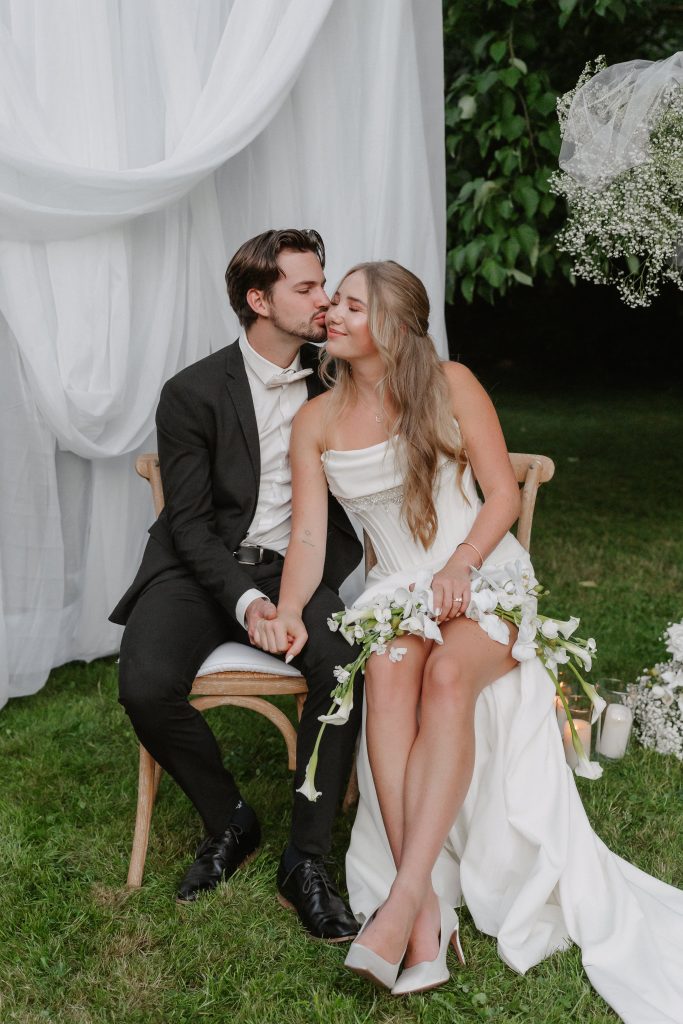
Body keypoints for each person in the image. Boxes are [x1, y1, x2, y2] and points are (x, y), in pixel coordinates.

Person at [253, 260, 683, 1020]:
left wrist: (460, 565)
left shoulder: (451, 384)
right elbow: (311, 539)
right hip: (396, 593)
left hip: (483, 572)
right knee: (387, 671)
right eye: (336, 305)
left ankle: (404, 902)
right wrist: (289, 609)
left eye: (351, 306)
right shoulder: (315, 419)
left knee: (449, 678)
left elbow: (502, 494)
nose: (333, 316)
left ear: (390, 323)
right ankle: (422, 914)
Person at [110, 229, 364, 942]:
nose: (325, 300)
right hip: (199, 568)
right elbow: (186, 524)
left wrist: (291, 596)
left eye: (324, 284)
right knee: (145, 685)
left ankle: (306, 861)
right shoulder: (191, 392)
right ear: (259, 299)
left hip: (298, 565)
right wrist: (248, 603)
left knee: (340, 668)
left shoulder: (340, 377)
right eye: (306, 287)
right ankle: (230, 820)